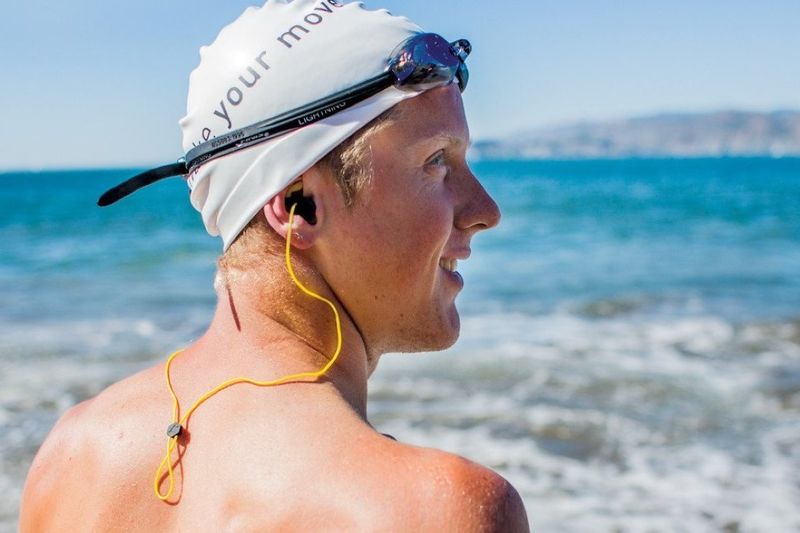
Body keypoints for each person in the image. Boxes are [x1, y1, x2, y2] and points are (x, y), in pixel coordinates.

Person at [20, 1, 529, 530]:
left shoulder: (70, 457)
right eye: (436, 161)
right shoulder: (436, 509)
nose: (486, 211)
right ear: (298, 206)